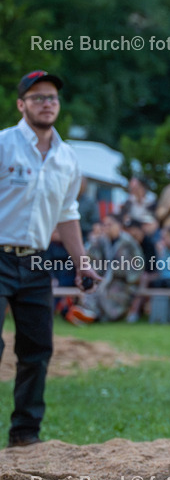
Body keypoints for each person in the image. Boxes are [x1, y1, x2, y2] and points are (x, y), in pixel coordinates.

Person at [0, 70, 102, 447]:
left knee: (37, 348)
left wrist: (82, 263)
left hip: (37, 262)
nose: (47, 103)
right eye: (38, 97)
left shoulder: (67, 158)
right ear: (21, 104)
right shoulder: (4, 145)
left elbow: (68, 215)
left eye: (52, 98)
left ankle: (25, 433)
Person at [77, 213, 144, 323]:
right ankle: (89, 314)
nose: (106, 228)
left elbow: (137, 266)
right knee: (93, 288)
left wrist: (117, 272)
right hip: (102, 278)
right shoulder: (100, 241)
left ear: (118, 225)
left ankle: (101, 316)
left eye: (110, 224)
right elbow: (92, 260)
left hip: (122, 282)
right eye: (105, 225)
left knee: (111, 292)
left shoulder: (129, 243)